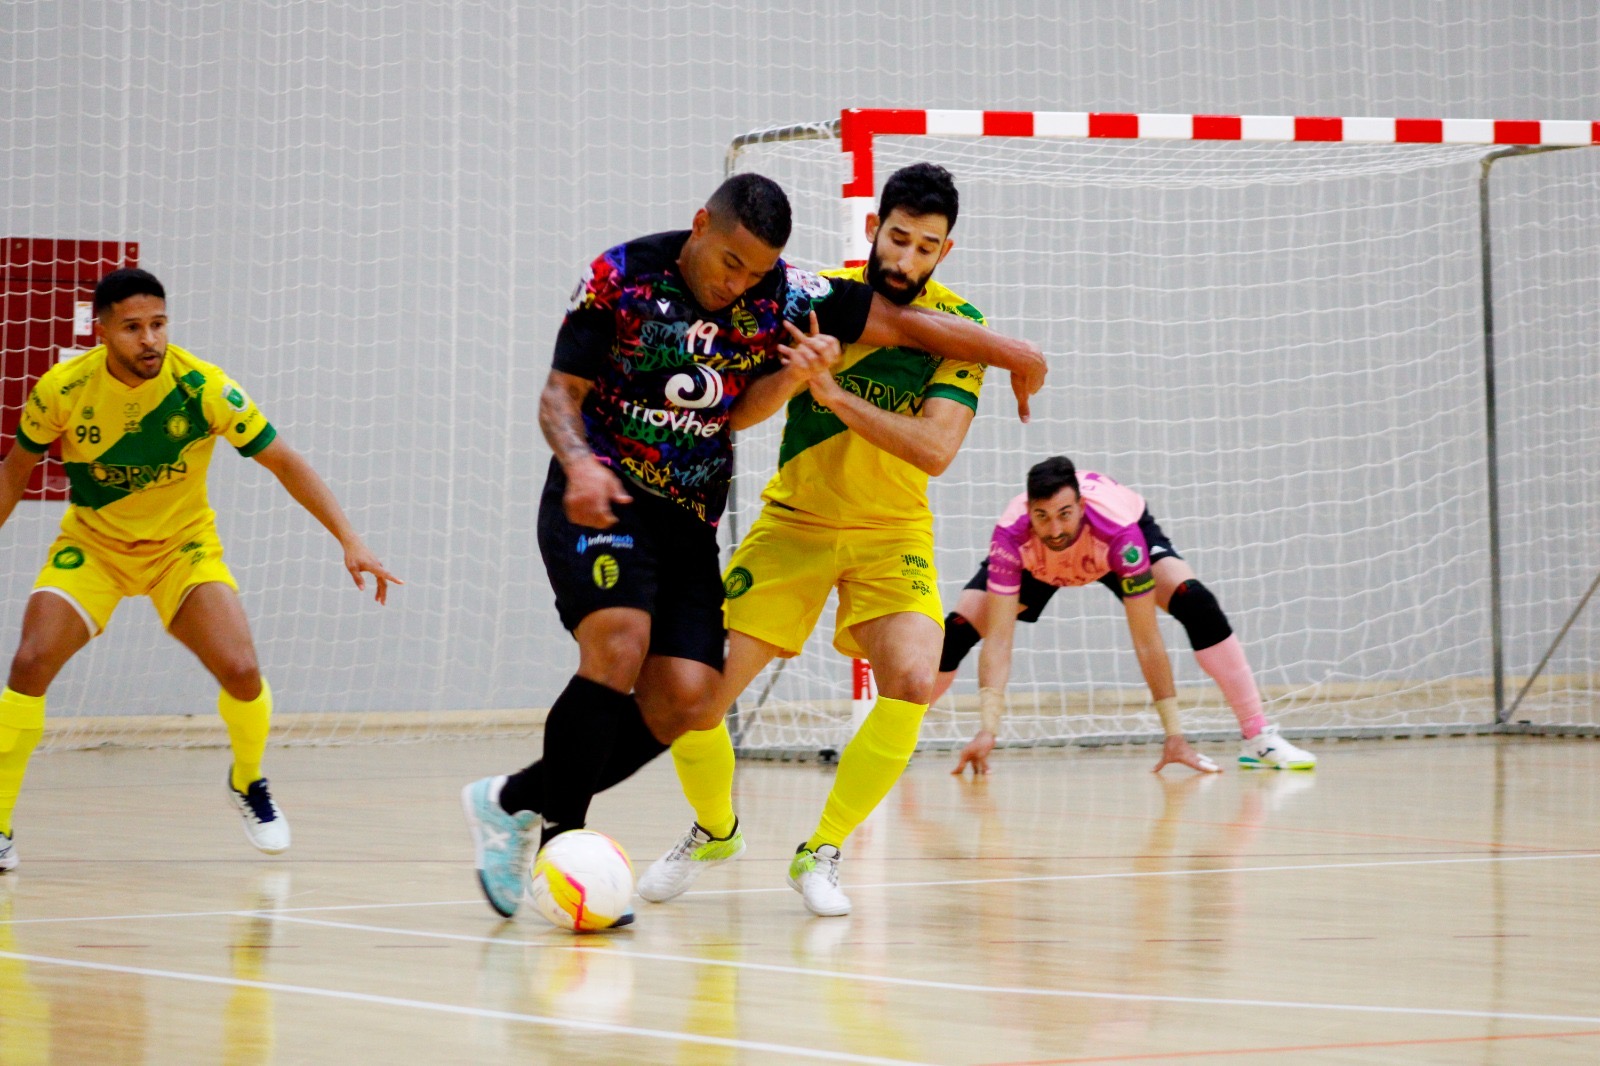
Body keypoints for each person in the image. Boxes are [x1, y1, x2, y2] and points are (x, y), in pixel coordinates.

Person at [460, 171, 1046, 919]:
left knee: (737, 695)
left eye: (926, 246)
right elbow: (608, 400)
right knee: (646, 665)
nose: (740, 284)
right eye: (898, 237)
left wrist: (1015, 352)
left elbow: (916, 421)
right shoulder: (654, 280)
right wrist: (580, 462)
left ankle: (520, 802)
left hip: (791, 526)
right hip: (692, 509)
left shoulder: (816, 301)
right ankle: (622, 835)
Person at [634, 163, 994, 917]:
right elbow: (736, 416)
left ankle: (822, 849)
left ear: (944, 254)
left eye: (926, 248)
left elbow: (935, 450)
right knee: (696, 696)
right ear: (873, 229)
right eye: (897, 239)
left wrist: (836, 394)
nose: (906, 260)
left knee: (913, 678)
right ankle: (715, 827)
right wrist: (800, 380)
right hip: (794, 523)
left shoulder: (962, 327)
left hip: (891, 530)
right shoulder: (807, 297)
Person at [0, 269, 400, 872]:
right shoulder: (62, 389)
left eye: (158, 324)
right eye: (132, 328)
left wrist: (350, 539)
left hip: (180, 551)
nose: (150, 340)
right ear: (102, 329)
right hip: (94, 548)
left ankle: (248, 781)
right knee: (30, 663)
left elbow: (286, 462)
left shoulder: (203, 387)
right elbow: (13, 471)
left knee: (241, 670)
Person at [938, 455, 1316, 776]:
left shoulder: (1121, 536)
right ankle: (895, 739)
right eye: (1043, 517)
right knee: (953, 635)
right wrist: (987, 729)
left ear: (1082, 508)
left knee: (1195, 603)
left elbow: (1146, 639)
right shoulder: (1011, 537)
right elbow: (1000, 640)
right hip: (1037, 566)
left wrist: (1175, 736)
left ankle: (1258, 738)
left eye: (1065, 515)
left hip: (1105, 550)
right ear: (1029, 514)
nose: (1055, 529)